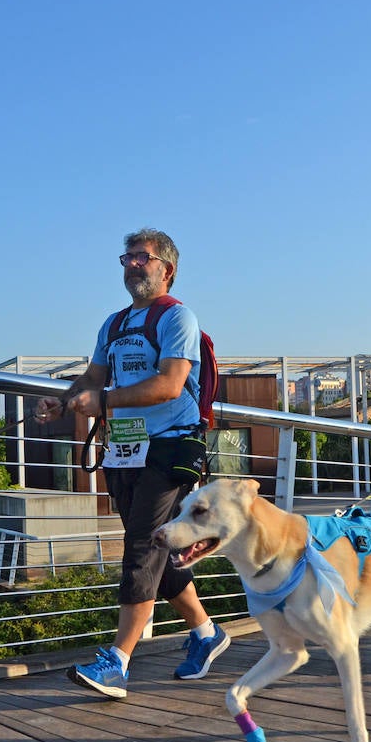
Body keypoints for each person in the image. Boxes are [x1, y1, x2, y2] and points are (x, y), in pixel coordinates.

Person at [35, 229, 228, 699]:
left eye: (144, 257)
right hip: (125, 448)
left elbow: (168, 384)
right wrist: (63, 402)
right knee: (152, 547)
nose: (133, 265)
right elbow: (93, 376)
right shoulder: (114, 324)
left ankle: (118, 662)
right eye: (128, 257)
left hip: (169, 447)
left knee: (144, 543)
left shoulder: (177, 318)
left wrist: (101, 400)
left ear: (168, 269)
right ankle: (205, 633)